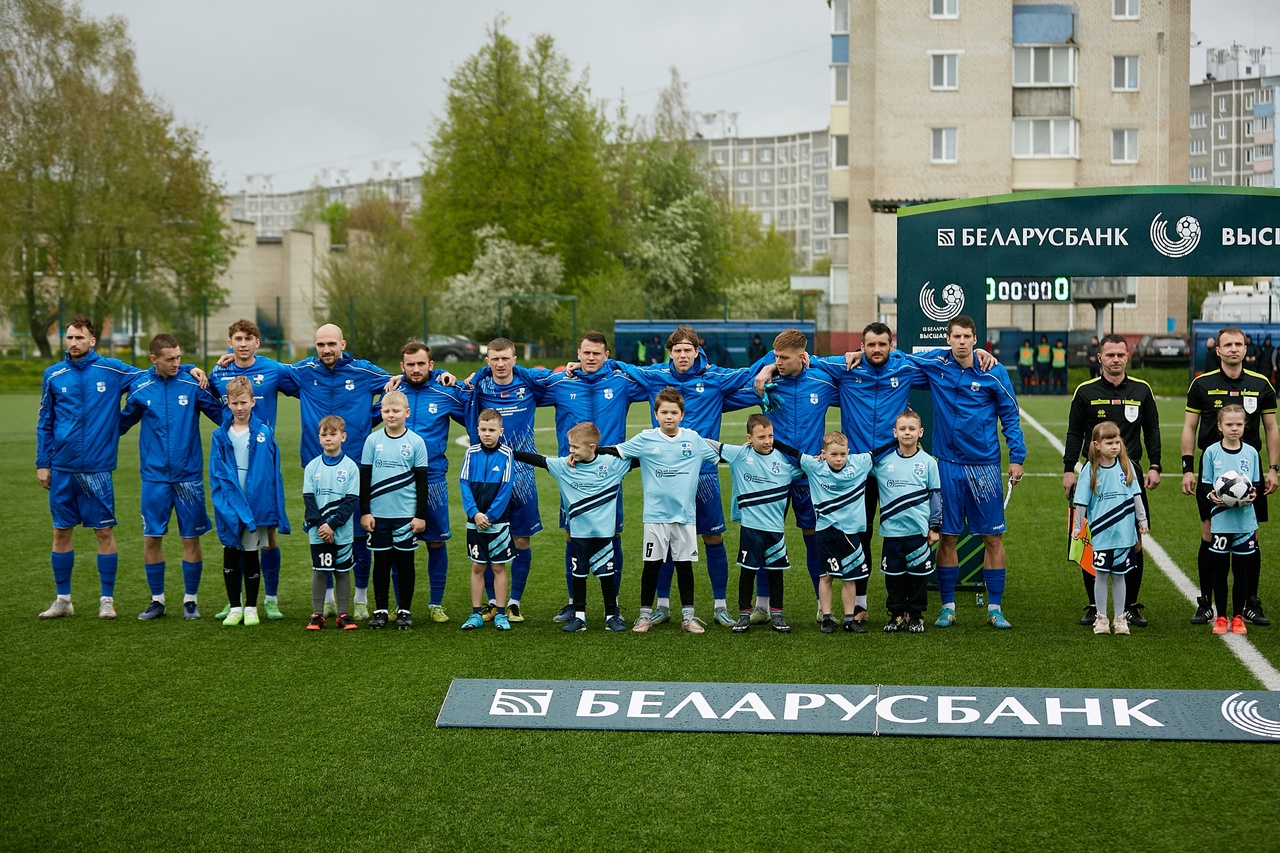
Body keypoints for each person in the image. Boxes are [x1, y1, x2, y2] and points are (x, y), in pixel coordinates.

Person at [592, 324, 764, 626]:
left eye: (688, 349)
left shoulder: (715, 378)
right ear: (670, 352)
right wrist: (583, 364)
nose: (683, 355)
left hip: (705, 474)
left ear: (697, 351)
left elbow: (751, 371)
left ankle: (720, 606)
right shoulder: (654, 376)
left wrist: (771, 364)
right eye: (678, 350)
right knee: (667, 542)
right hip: (665, 478)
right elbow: (622, 366)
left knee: (713, 537)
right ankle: (662, 606)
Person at [913, 315, 1025, 630]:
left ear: (975, 339)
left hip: (984, 468)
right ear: (947, 339)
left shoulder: (994, 370)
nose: (961, 341)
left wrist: (1017, 457)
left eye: (967, 336)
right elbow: (896, 360)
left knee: (992, 536)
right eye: (956, 336)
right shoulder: (936, 364)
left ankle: (995, 608)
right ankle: (947, 607)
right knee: (947, 536)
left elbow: (1011, 415)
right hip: (946, 465)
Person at [528, 332, 648, 623]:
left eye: (597, 353)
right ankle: (574, 603)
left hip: (608, 474)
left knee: (612, 535)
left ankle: (613, 603)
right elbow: (521, 381)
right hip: (571, 474)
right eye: (586, 353)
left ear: (606, 355)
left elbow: (655, 378)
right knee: (572, 535)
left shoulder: (621, 381)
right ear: (578, 354)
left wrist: (619, 366)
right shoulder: (561, 382)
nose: (591, 358)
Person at [37, 315, 148, 620]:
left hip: (97, 469)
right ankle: (63, 600)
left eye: (79, 338)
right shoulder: (53, 375)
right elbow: (45, 422)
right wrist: (42, 464)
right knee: (60, 532)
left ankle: (106, 600)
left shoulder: (112, 369)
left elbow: (149, 377)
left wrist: (120, 422)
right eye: (69, 337)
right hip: (61, 468)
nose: (73, 343)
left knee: (104, 533)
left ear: (92, 340)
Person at [287, 324, 394, 620]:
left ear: (343, 344)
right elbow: (265, 370)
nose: (326, 350)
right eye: (320, 344)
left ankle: (360, 598)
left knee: (358, 535)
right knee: (323, 532)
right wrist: (227, 358)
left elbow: (401, 379)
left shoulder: (363, 371)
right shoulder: (303, 371)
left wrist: (438, 375)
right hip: (316, 467)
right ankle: (330, 599)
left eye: (331, 343)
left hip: (355, 466)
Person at [119, 334, 224, 620]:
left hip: (188, 476)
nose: (176, 363)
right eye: (170, 359)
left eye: (179, 357)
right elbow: (120, 424)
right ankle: (157, 600)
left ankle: (190, 600)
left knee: (191, 538)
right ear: (154, 359)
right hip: (154, 478)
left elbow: (223, 416)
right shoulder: (140, 388)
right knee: (151, 538)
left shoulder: (192, 384)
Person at [1181, 326, 1279, 627]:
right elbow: (1189, 428)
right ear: (1218, 350)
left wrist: (1273, 468)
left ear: (1245, 348)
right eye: (1228, 344)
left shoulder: (1261, 384)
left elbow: (1272, 428)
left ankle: (1251, 601)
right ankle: (1206, 602)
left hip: (1250, 472)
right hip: (1214, 472)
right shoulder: (1202, 384)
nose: (1234, 349)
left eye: (1239, 344)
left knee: (1251, 535)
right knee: (1209, 534)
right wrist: (1187, 468)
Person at [1062, 334, 1162, 627]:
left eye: (1121, 354)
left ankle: (1129, 606)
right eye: (1110, 355)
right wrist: (1070, 468)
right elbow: (1074, 432)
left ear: (1127, 356)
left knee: (1134, 541)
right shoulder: (1085, 391)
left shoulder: (1142, 390)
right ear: (1100, 358)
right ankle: (1095, 606)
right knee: (1090, 539)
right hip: (1094, 476)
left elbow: (1152, 431)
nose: (1116, 359)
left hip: (1129, 475)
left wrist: (1155, 466)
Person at [603, 387, 720, 634]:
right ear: (656, 414)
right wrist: (588, 453)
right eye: (664, 412)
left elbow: (722, 455)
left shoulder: (693, 439)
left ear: (682, 415)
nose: (669, 416)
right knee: (652, 565)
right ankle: (644, 615)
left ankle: (688, 616)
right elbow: (617, 451)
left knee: (685, 566)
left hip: (685, 516)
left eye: (674, 412)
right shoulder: (646, 439)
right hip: (655, 516)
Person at [208, 319, 299, 621]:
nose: (243, 343)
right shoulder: (219, 372)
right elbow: (204, 394)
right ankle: (234, 601)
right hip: (231, 458)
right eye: (238, 338)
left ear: (257, 342)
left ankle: (269, 598)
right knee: (233, 533)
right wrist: (193, 370)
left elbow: (306, 380)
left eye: (249, 338)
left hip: (262, 462)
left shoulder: (274, 369)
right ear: (229, 342)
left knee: (268, 533)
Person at [514, 423, 635, 633]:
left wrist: (604, 450)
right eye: (570, 446)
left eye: (575, 447)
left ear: (591, 446)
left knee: (607, 576)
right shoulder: (564, 466)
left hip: (604, 536)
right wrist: (510, 452)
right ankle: (580, 617)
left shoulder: (613, 465)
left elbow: (641, 458)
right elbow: (539, 460)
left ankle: (611, 616)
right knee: (578, 575)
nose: (571, 451)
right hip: (578, 536)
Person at [461, 338, 546, 620]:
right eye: (494, 359)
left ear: (514, 358)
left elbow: (553, 379)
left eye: (505, 358)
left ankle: (514, 602)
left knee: (522, 540)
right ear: (487, 360)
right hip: (487, 476)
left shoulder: (529, 384)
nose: (500, 364)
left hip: (521, 474)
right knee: (485, 540)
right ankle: (490, 602)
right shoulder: (479, 385)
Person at [705, 414, 804, 634]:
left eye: (770, 435)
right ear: (749, 438)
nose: (767, 441)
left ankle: (777, 615)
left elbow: (806, 469)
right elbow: (712, 445)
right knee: (747, 571)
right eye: (761, 437)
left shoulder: (782, 460)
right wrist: (684, 437)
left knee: (776, 573)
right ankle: (743, 616)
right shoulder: (740, 455)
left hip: (775, 530)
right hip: (750, 528)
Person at [772, 430, 874, 634]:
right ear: (823, 453)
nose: (838, 459)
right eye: (833, 454)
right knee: (826, 576)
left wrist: (898, 439)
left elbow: (880, 451)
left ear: (849, 453)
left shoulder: (860, 463)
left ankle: (848, 618)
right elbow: (793, 452)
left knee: (849, 577)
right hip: (826, 532)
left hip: (851, 533)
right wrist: (770, 442)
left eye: (842, 455)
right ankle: (827, 617)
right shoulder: (814, 465)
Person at [398, 341, 468, 624]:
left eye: (421, 364)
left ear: (431, 365)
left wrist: (458, 381)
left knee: (436, 544)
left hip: (434, 478)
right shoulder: (393, 393)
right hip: (397, 482)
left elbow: (474, 415)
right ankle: (401, 606)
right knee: (397, 544)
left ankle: (435, 604)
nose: (416, 369)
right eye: (410, 364)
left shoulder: (444, 392)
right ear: (402, 367)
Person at [359, 391, 429, 630]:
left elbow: (422, 482)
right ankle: (380, 610)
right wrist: (365, 512)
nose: (391, 415)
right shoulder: (372, 441)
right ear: (381, 413)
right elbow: (365, 478)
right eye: (387, 411)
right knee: (380, 563)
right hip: (378, 515)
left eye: (396, 411)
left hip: (405, 516)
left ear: (406, 413)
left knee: (405, 563)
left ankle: (404, 610)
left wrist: (419, 515)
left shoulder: (416, 442)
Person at [1072, 422, 1149, 636]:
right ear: (1096, 445)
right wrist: (1078, 527)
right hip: (1102, 534)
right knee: (1102, 575)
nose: (1115, 446)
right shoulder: (1091, 469)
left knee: (1120, 576)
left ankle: (1120, 618)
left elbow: (1137, 496)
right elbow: (1081, 502)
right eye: (1109, 442)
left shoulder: (1126, 467)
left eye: (1117, 442)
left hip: (1124, 535)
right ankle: (1102, 618)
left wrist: (1142, 521)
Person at [874, 410, 941, 634]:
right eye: (902, 429)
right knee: (894, 577)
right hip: (892, 532)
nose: (907, 433)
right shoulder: (883, 462)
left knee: (918, 577)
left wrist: (934, 527)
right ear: (895, 432)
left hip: (918, 532)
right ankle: (896, 615)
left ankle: (916, 616)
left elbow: (935, 496)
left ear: (920, 432)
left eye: (912, 429)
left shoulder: (929, 462)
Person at [1200, 405, 1262, 635]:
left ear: (1245, 425)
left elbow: (1256, 484)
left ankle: (1237, 616)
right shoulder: (1211, 452)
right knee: (1220, 569)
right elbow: (1205, 484)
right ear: (1219, 426)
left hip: (1244, 522)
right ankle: (1221, 617)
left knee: (1241, 570)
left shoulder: (1252, 453)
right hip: (1221, 521)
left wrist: (1253, 494)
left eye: (1238, 424)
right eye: (1229, 424)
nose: (1234, 428)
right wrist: (1212, 496)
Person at [458, 409, 515, 632]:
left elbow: (506, 486)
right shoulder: (471, 453)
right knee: (477, 565)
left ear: (500, 431)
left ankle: (501, 613)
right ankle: (476, 613)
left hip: (498, 523)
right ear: (477, 430)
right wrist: (474, 513)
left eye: (492, 430)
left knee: (499, 567)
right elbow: (463, 483)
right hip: (475, 521)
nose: (487, 434)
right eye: (483, 430)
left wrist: (490, 515)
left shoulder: (506, 454)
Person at [302, 415, 361, 631]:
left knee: (342, 571)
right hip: (318, 531)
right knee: (320, 569)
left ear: (343, 437)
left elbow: (351, 501)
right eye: (324, 435)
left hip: (341, 531)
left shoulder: (351, 467)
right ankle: (317, 614)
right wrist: (321, 525)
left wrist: (333, 525)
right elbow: (308, 500)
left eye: (333, 434)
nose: (328, 439)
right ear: (319, 438)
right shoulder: (312, 467)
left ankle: (343, 614)